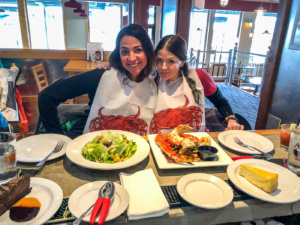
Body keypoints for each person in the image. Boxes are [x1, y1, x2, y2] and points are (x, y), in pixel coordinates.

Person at [98, 35, 245, 133]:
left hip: (194, 139)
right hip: (160, 140)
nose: (163, 67)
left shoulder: (199, 77)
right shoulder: (152, 80)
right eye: (159, 60)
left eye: (171, 61)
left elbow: (221, 101)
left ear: (183, 61)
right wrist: (111, 67)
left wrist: (231, 120)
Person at [38, 24, 157, 139]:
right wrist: (58, 140)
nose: (131, 58)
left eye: (138, 50)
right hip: (81, 144)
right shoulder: (102, 75)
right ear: (118, 54)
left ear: (148, 51)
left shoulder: (153, 84)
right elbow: (46, 96)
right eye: (125, 52)